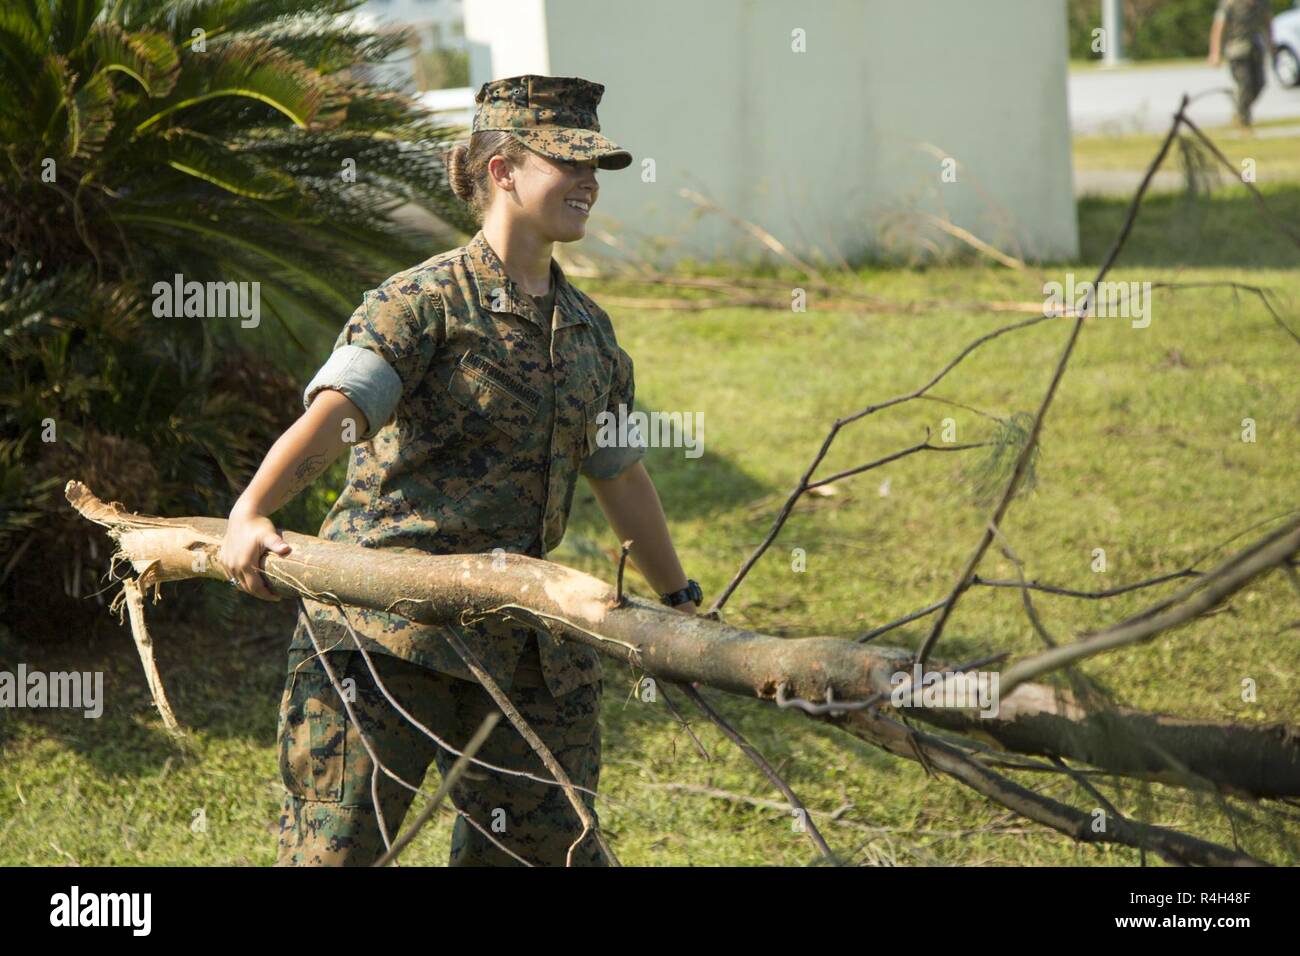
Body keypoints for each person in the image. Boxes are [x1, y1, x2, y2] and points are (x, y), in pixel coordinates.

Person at [217, 75, 703, 866]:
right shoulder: (420, 303)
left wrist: (680, 602)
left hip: (521, 645)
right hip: (383, 637)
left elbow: (619, 474)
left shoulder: (590, 333)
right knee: (335, 851)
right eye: (567, 163)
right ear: (502, 170)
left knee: (552, 856)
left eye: (597, 169)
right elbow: (337, 415)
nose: (588, 184)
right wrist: (252, 512)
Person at [1208, 0, 1275, 131]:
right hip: (1236, 50)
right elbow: (1218, 28)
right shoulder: (1230, 4)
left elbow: (1267, 23)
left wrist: (1271, 45)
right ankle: (1244, 122)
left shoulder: (1261, 3)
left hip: (1255, 49)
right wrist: (1215, 53)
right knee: (1245, 84)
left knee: (1260, 84)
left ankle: (1240, 110)